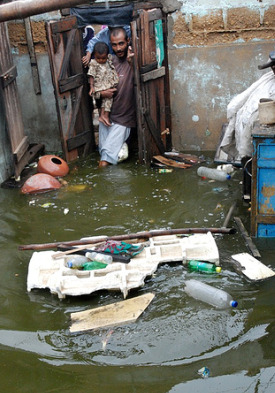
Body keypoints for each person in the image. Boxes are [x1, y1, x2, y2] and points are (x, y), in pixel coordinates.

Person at [96, 27, 136, 167]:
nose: (118, 48)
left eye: (121, 43)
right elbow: (96, 85)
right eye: (114, 44)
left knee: (105, 160)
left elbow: (140, 81)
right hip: (106, 117)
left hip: (123, 120)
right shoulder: (109, 61)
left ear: (128, 41)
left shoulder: (133, 61)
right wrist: (102, 93)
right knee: (103, 153)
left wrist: (133, 64)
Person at [87, 41, 119, 126]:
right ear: (94, 55)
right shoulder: (94, 63)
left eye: (103, 58)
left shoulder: (108, 60)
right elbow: (91, 75)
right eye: (98, 58)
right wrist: (91, 87)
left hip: (107, 84)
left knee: (109, 100)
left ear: (107, 55)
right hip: (99, 86)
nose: (101, 60)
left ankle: (104, 116)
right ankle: (102, 115)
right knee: (102, 100)